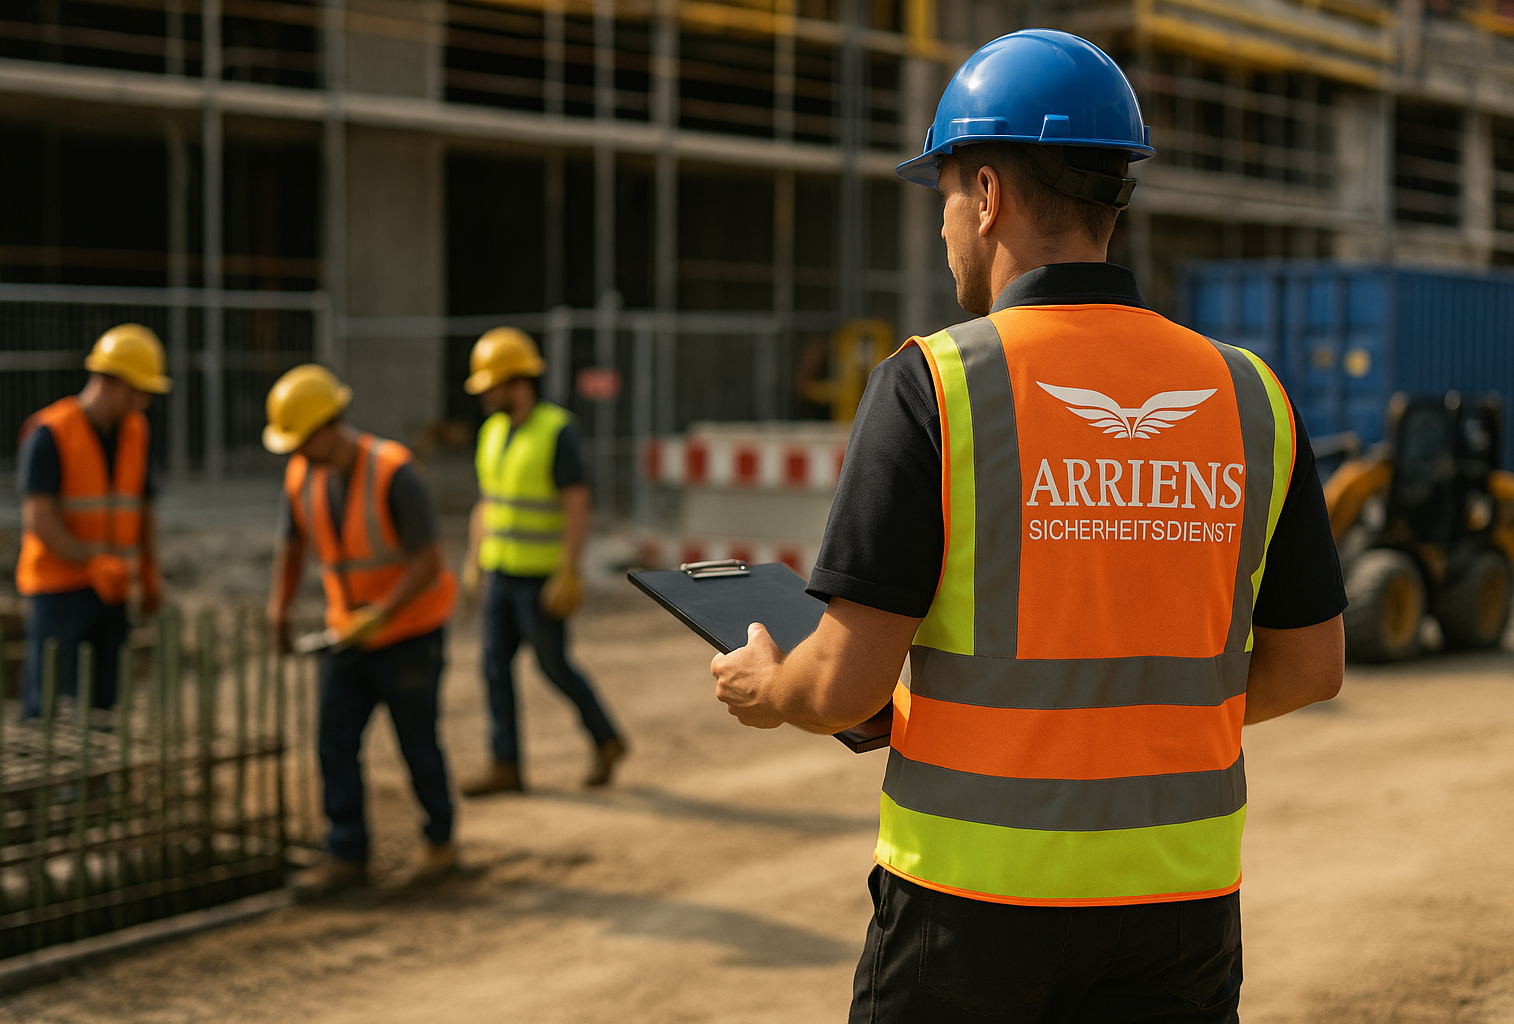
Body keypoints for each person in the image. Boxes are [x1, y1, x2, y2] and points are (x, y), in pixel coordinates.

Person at [711, 29, 1347, 1023]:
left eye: (946, 197)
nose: (944, 229)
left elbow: (842, 685)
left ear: (990, 193)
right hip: (1179, 908)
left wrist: (767, 683)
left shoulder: (939, 384)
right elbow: (1310, 668)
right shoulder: (1250, 395)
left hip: (974, 910)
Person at [263, 364, 460, 898]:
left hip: (410, 635)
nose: (297, 452)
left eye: (303, 440)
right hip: (347, 637)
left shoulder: (394, 471)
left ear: (331, 424)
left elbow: (428, 561)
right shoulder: (302, 476)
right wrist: (278, 608)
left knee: (417, 743)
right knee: (335, 744)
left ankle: (440, 843)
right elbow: (292, 546)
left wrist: (384, 609)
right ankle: (347, 852)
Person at [458, 327, 626, 796]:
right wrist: (473, 563)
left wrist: (568, 568)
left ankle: (607, 738)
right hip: (500, 572)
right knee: (494, 666)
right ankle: (505, 764)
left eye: (490, 385)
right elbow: (487, 502)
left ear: (516, 382)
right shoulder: (492, 432)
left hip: (540, 578)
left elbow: (577, 503)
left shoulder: (556, 430)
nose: (485, 395)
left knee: (554, 667)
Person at [15, 323, 170, 719]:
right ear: (111, 381)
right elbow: (40, 518)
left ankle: (95, 784)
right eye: (139, 391)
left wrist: (149, 573)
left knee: (105, 705)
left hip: (112, 588)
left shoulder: (137, 431)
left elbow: (143, 509)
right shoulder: (50, 433)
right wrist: (89, 560)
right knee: (50, 706)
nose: (144, 402)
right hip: (58, 590)